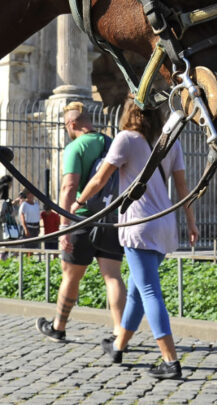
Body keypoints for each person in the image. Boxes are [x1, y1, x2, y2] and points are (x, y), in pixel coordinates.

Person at [74, 99, 198, 379]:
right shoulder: (171, 143)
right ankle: (118, 346)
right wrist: (191, 222)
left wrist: (78, 201)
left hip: (139, 225)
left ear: (129, 112)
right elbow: (182, 188)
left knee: (149, 291)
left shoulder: (126, 139)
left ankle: (170, 360)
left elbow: (100, 179)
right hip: (164, 224)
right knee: (137, 290)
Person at [36, 102, 126, 343]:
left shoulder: (76, 147)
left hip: (82, 219)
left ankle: (59, 326)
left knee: (71, 276)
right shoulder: (111, 143)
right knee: (113, 276)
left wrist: (65, 227)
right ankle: (119, 333)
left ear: (71, 124)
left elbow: (69, 187)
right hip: (110, 219)